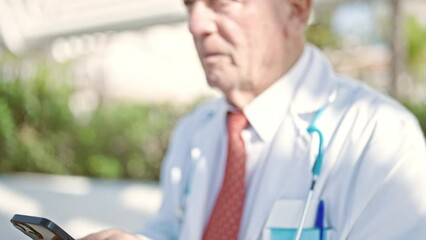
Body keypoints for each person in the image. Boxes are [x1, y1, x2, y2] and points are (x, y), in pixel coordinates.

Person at [80, 0, 426, 239]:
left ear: (294, 11)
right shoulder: (193, 132)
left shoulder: (381, 139)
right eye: (190, 4)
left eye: (222, 2)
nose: (195, 23)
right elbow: (173, 228)